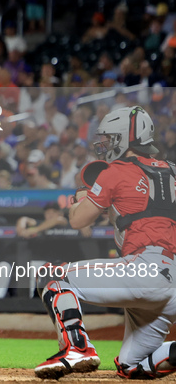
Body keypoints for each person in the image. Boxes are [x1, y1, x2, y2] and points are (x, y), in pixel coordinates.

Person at [34, 106, 176, 380]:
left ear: (126, 137)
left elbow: (78, 221)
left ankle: (77, 348)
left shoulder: (116, 170)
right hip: (172, 281)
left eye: (110, 138)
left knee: (53, 276)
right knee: (131, 365)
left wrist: (79, 197)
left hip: (144, 270)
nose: (105, 144)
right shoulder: (173, 170)